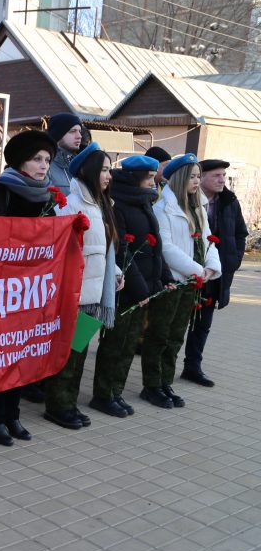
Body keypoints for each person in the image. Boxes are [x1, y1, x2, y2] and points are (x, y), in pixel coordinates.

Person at [0, 130, 57, 445]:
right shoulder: (1, 191)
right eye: (37, 159)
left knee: (21, 352)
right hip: (1, 290)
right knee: (0, 355)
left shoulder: (47, 197)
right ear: (21, 161)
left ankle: (13, 415)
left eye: (47, 160)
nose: (43, 166)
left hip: (31, 290)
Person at [43, 143, 121, 429]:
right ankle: (58, 406)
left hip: (94, 293)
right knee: (70, 352)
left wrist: (114, 270)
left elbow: (103, 248)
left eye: (109, 170)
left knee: (80, 351)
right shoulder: (71, 204)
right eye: (103, 169)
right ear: (88, 171)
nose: (108, 176)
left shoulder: (101, 204)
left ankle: (69, 404)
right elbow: (63, 250)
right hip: (75, 293)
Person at [141, 154, 221, 408]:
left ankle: (166, 382)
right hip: (173, 281)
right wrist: (198, 269)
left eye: (199, 176)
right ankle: (152, 385)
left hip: (192, 281)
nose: (196, 182)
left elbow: (209, 240)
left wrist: (211, 267)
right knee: (160, 334)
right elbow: (166, 248)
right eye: (192, 176)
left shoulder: (199, 207)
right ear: (179, 178)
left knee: (176, 335)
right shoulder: (162, 208)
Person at [92, 154, 168, 417]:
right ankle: (102, 395)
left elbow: (155, 245)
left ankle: (116, 392)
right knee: (115, 343)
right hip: (125, 288)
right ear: (136, 178)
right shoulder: (120, 204)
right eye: (149, 177)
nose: (153, 181)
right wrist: (140, 289)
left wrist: (161, 280)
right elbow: (122, 249)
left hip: (142, 288)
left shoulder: (145, 201)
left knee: (127, 346)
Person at [181, 159, 247, 387]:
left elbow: (241, 233)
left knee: (203, 324)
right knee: (176, 323)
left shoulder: (229, 202)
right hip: (187, 272)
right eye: (216, 175)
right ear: (201, 177)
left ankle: (192, 367)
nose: (222, 180)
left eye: (224, 175)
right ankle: (159, 373)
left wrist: (233, 260)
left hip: (216, 275)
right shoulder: (187, 200)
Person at [46, 112, 82, 194]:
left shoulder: (80, 164)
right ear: (58, 134)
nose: (79, 136)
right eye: (73, 131)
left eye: (80, 131)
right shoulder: (45, 165)